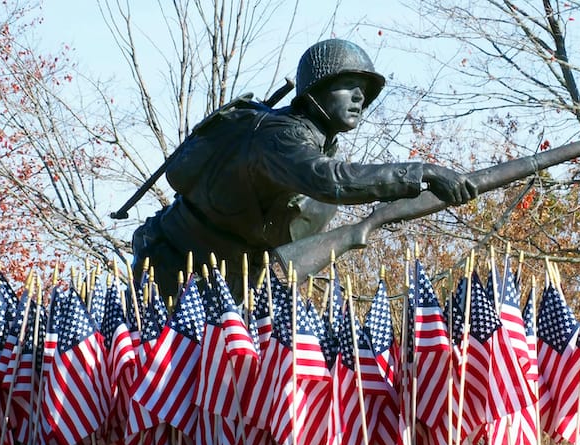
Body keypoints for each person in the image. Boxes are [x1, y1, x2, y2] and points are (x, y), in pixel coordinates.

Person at [132, 38, 478, 296]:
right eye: (348, 85)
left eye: (365, 90)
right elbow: (332, 181)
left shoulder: (315, 143)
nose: (359, 96)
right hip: (174, 267)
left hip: (232, 278)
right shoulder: (279, 137)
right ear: (315, 90)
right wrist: (423, 173)